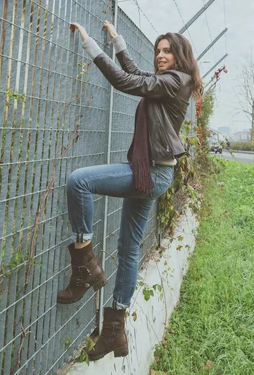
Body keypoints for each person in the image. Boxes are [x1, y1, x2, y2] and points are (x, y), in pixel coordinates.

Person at [57, 20, 202, 361]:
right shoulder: (166, 83)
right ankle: (115, 331)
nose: (161, 55)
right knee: (129, 249)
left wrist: (89, 43)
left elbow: (126, 81)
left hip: (149, 174)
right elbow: (137, 74)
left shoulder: (174, 81)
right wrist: (117, 40)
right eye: (158, 51)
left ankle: (84, 266)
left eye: (168, 51)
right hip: (150, 174)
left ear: (180, 56)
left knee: (80, 180)